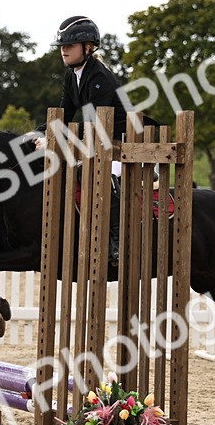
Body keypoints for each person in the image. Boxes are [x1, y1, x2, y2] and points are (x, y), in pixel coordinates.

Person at [36, 15, 146, 266]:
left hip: (121, 143)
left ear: (88, 47)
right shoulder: (71, 76)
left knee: (103, 177)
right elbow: (63, 116)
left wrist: (54, 143)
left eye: (69, 46)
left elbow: (94, 123)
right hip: (95, 139)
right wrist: (37, 134)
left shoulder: (100, 77)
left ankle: (117, 242)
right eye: (61, 46)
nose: (63, 50)